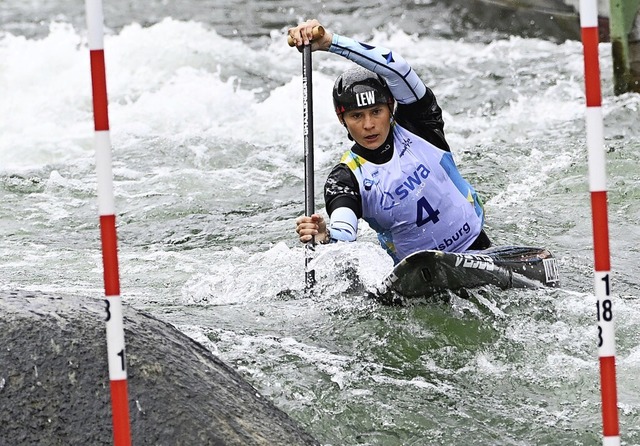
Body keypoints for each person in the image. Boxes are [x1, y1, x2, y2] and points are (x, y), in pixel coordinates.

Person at [290, 19, 491, 265]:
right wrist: (325, 235)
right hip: (416, 275)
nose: (368, 125)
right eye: (356, 115)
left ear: (391, 107)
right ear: (342, 119)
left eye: (376, 111)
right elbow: (344, 233)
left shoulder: (420, 124)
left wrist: (331, 43)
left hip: (476, 248)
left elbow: (397, 68)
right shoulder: (345, 178)